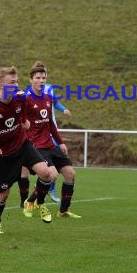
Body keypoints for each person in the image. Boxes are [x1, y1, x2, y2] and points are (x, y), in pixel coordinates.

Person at [0, 66, 58, 234]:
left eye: (17, 81)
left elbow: (24, 109)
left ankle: (38, 203)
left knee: (46, 173)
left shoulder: (20, 97)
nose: (16, 85)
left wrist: (24, 121)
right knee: (4, 194)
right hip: (3, 153)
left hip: (22, 144)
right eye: (12, 82)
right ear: (1, 86)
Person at [22, 64, 81, 218]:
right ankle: (31, 201)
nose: (41, 81)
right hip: (36, 146)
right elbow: (19, 122)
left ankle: (63, 210)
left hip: (50, 143)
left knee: (70, 173)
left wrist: (60, 142)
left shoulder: (48, 99)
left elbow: (50, 124)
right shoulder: (26, 100)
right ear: (31, 80)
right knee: (52, 175)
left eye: (43, 78)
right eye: (38, 78)